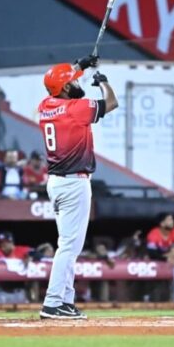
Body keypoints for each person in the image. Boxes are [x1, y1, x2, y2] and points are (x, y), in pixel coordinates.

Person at [37, 55, 117, 319]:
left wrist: (80, 66)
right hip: (73, 183)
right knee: (69, 247)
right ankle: (52, 302)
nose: (75, 81)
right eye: (72, 81)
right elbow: (112, 102)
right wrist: (103, 82)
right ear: (66, 88)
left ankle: (65, 300)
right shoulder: (76, 108)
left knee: (68, 245)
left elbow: (64, 83)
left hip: (57, 182)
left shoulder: (46, 104)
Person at [145, 212, 174, 302]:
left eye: (172, 219)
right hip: (157, 260)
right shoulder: (153, 234)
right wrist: (165, 258)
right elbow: (151, 253)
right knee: (147, 262)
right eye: (169, 220)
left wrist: (165, 257)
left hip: (171, 259)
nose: (172, 222)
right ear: (162, 224)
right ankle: (149, 299)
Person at [0, 232, 32, 304]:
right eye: (0, 242)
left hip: (19, 292)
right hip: (2, 292)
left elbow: (38, 256)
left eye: (5, 242)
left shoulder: (22, 250)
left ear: (11, 242)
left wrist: (31, 258)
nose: (2, 245)